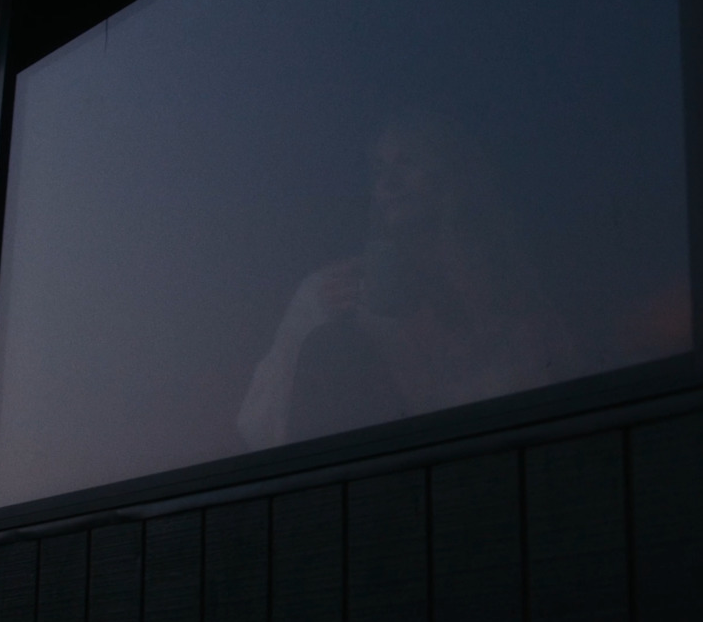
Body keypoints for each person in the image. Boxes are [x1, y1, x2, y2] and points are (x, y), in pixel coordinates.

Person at [238, 113, 576, 449]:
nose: (389, 183)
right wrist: (310, 323)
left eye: (408, 163)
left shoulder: (505, 288)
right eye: (380, 171)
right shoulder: (334, 290)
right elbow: (257, 427)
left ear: (450, 174)